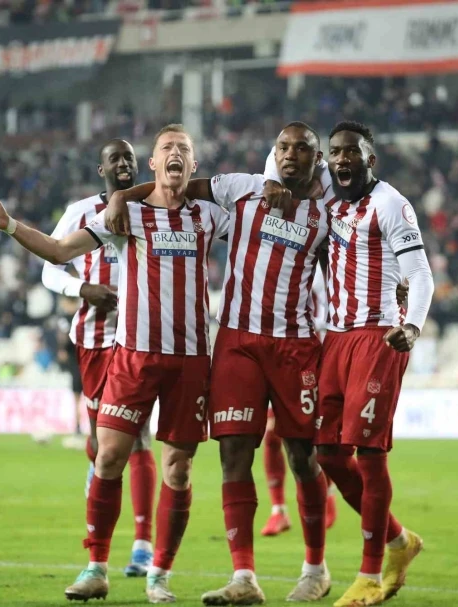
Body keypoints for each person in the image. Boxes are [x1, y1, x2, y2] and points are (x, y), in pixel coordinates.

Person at [0, 124, 229, 604]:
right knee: (109, 455)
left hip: (190, 360)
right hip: (133, 356)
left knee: (178, 469)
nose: (175, 153)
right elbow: (59, 251)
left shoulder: (210, 216)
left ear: (193, 165)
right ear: (153, 163)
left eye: (184, 149)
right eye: (166, 148)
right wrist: (10, 225)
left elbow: (259, 230)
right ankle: (96, 567)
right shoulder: (126, 215)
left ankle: (159, 574)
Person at [106, 122, 333, 604]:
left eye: (302, 149)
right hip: (236, 340)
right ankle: (244, 577)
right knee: (234, 454)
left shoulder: (329, 211)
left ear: (317, 160)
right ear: (274, 153)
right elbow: (176, 187)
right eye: (283, 147)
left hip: (295, 345)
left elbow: (342, 270)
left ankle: (315, 568)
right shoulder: (241, 187)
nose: (290, 155)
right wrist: (122, 196)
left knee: (302, 456)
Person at [266, 121, 434, 606]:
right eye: (335, 152)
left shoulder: (391, 204)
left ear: (369, 160)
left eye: (351, 153)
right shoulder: (329, 199)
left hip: (378, 337)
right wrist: (274, 179)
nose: (342, 160)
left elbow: (420, 272)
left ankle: (369, 576)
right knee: (328, 454)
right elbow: (276, 160)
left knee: (369, 454)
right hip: (335, 339)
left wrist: (412, 325)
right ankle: (399, 540)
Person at [41, 139, 157, 577]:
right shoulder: (81, 212)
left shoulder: (154, 208)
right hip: (93, 340)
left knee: (138, 438)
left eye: (129, 157)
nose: (123, 163)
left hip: (138, 341)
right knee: (100, 445)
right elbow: (50, 267)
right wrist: (82, 289)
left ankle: (142, 545)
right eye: (115, 159)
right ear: (100, 169)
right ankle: (100, 501)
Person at [260, 269, 338, 537]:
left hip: (316, 353)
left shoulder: (323, 264)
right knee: (271, 433)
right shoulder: (280, 263)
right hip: (283, 351)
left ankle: (327, 495)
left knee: (315, 434)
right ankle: (278, 510)